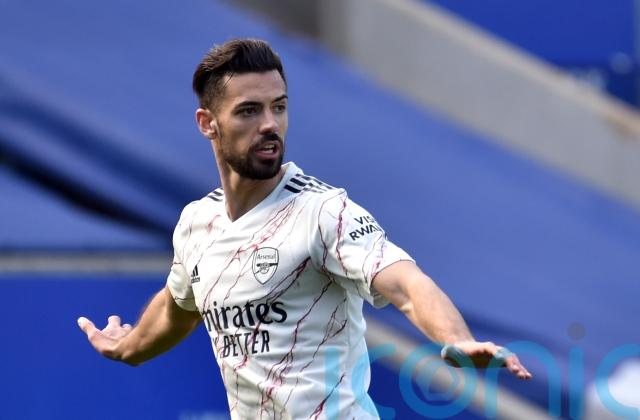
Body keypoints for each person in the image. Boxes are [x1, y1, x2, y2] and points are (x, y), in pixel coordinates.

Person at [78, 38, 531, 419]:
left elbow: (407, 285)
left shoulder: (323, 211)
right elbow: (178, 306)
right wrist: (127, 348)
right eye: (249, 111)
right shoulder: (197, 223)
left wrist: (457, 339)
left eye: (278, 107)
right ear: (208, 124)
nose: (269, 124)